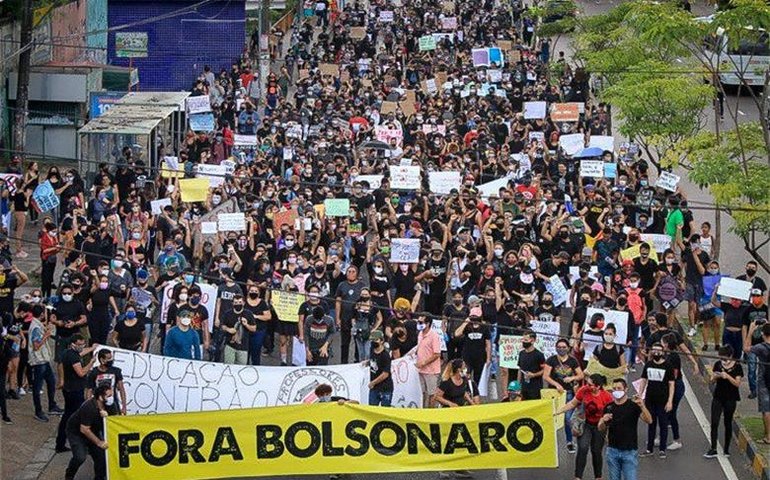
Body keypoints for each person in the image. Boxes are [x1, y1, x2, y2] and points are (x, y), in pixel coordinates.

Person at [556, 374, 613, 480]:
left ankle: (598, 476)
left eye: (590, 385)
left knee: (596, 451)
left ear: (598, 386)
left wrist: (609, 432)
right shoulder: (583, 390)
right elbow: (572, 404)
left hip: (599, 426)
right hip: (586, 423)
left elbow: (611, 415)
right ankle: (578, 476)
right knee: (582, 448)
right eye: (587, 383)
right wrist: (558, 411)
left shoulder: (606, 396)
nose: (587, 386)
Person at [599, 378, 653, 480]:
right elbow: (601, 428)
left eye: (619, 388)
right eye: (614, 389)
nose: (616, 391)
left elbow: (649, 420)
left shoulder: (633, 405)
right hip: (612, 451)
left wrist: (642, 406)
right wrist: (602, 420)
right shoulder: (609, 407)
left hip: (629, 451)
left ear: (626, 389)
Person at [435, 359, 479, 479]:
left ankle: (460, 467)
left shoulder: (464, 380)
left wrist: (472, 403)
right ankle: (443, 468)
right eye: (463, 367)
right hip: (448, 415)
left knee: (461, 442)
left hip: (461, 414)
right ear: (457, 369)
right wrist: (449, 404)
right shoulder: (447, 383)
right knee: (448, 442)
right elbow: (437, 396)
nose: (465, 369)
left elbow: (464, 393)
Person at [56, 334, 97, 453]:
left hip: (69, 388)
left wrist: (92, 348)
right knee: (74, 417)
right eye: (79, 344)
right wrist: (91, 363)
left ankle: (61, 442)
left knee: (68, 416)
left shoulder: (67, 353)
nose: (81, 347)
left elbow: (81, 353)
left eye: (82, 344)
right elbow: (81, 372)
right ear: (73, 344)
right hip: (74, 390)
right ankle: (77, 441)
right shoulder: (73, 357)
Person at [64, 383, 113, 480]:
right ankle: (69, 475)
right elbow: (84, 429)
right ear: (100, 397)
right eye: (109, 396)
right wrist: (98, 442)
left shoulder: (109, 405)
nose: (111, 398)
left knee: (101, 457)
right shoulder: (88, 407)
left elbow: (116, 418)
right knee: (80, 457)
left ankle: (99, 478)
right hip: (76, 432)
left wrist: (108, 417)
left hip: (93, 430)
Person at [544, 338, 584, 453]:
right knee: (552, 417)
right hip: (553, 393)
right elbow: (546, 376)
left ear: (568, 348)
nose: (561, 349)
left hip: (568, 392)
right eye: (559, 347)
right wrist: (556, 385)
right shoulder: (551, 360)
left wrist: (572, 378)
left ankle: (569, 441)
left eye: (564, 347)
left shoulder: (573, 361)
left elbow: (580, 375)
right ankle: (550, 442)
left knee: (567, 418)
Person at [637, 343, 675, 458]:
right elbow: (643, 380)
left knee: (663, 425)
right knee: (651, 423)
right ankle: (649, 449)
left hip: (663, 400)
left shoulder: (668, 366)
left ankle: (662, 449)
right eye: (654, 350)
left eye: (659, 351)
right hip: (650, 399)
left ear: (663, 352)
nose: (656, 353)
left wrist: (670, 401)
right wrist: (640, 395)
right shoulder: (648, 364)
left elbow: (671, 384)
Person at [705, 345, 743, 458]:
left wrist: (727, 376)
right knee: (714, 422)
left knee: (727, 422)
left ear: (730, 356)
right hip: (718, 396)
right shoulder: (717, 364)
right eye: (721, 358)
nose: (723, 361)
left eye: (725, 358)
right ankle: (713, 448)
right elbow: (711, 381)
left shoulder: (737, 367)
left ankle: (726, 449)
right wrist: (716, 377)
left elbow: (737, 384)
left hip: (731, 398)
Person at [27, 304, 63, 422]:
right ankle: (38, 411)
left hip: (44, 359)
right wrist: (46, 336)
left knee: (51, 382)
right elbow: (36, 346)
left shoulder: (37, 324)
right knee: (37, 387)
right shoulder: (36, 328)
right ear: (42, 314)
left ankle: (52, 405)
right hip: (39, 360)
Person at [85, 348, 128, 415]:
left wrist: (124, 406)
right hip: (98, 404)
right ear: (102, 360)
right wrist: (88, 407)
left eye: (111, 358)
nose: (111, 360)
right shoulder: (93, 373)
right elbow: (89, 391)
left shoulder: (116, 371)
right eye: (108, 358)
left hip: (113, 404)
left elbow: (121, 389)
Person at [743, 289, 768, 399]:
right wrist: (745, 340)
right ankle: (753, 389)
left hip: (764, 344)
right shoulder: (748, 310)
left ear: (762, 297)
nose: (755, 298)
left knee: (764, 368)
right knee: (751, 369)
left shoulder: (766, 310)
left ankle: (764, 388)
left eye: (757, 296)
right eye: (753, 296)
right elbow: (744, 326)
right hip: (752, 343)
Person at [748, 322, 770, 443]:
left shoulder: (761, 347)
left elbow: (746, 348)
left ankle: (768, 436)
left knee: (766, 409)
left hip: (764, 380)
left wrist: (751, 331)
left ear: (763, 334)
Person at [220, 294, 257, 365]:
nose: (238, 304)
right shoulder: (228, 313)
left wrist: (246, 324)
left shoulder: (248, 314)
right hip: (229, 346)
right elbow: (222, 326)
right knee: (228, 367)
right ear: (232, 303)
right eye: (236, 302)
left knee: (241, 369)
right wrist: (228, 329)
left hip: (243, 347)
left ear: (243, 303)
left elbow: (254, 329)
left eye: (240, 302)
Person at [416, 314, 442, 407]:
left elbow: (437, 354)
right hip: (421, 370)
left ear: (427, 324)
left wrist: (424, 363)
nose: (419, 324)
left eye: (421, 322)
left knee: (432, 394)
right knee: (422, 392)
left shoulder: (434, 336)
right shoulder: (420, 334)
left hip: (431, 371)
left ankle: (431, 411)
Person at [517, 330, 545, 400]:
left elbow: (544, 370)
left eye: (526, 340)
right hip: (524, 388)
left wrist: (534, 375)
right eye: (522, 339)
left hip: (535, 389)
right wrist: (518, 385)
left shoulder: (539, 355)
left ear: (532, 341)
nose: (523, 341)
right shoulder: (521, 353)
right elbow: (520, 369)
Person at [368, 330, 393, 406]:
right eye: (372, 340)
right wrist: (367, 362)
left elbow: (385, 374)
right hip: (374, 388)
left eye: (375, 340)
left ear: (381, 341)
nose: (373, 342)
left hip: (385, 388)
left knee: (384, 410)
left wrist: (373, 382)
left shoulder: (385, 355)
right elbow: (373, 361)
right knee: (372, 410)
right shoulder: (372, 350)